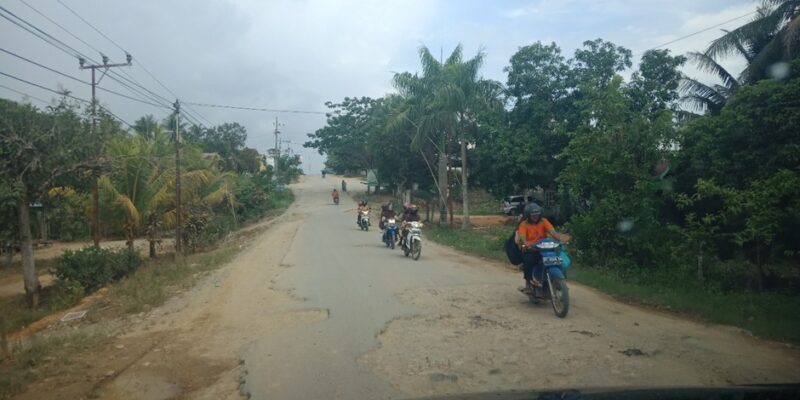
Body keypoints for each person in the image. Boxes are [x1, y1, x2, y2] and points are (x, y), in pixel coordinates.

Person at [516, 202, 571, 296]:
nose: (535, 217)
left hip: (545, 247)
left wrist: (561, 239)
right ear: (528, 215)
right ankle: (529, 283)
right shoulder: (524, 224)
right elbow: (522, 237)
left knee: (558, 259)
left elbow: (553, 232)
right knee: (528, 260)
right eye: (533, 215)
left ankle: (559, 280)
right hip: (532, 249)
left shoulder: (543, 221)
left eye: (537, 215)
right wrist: (527, 244)